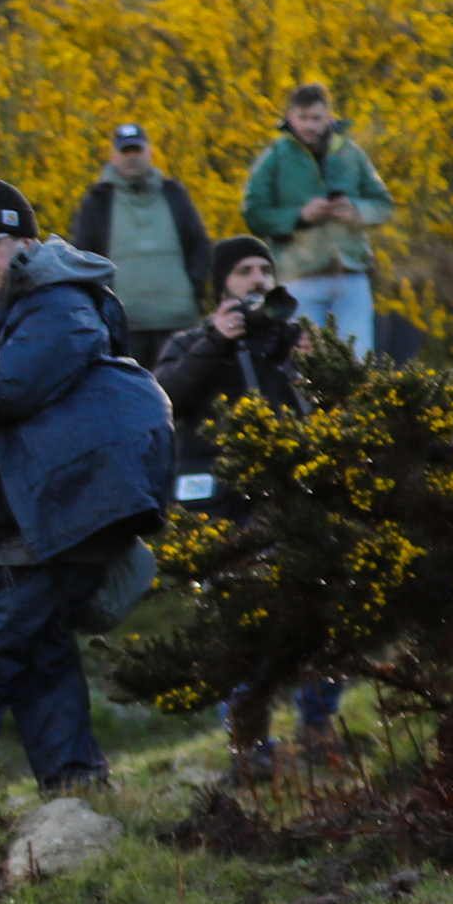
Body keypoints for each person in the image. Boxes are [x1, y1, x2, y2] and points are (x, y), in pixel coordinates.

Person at [0, 178, 175, 848]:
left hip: (19, 541)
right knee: (40, 668)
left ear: (25, 239)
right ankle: (77, 796)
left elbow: (13, 388)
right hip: (14, 534)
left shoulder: (57, 304)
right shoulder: (17, 309)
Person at [152, 233, 335, 780]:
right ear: (221, 288)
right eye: (244, 273)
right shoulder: (190, 341)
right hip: (216, 502)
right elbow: (165, 399)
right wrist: (215, 340)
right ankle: (249, 744)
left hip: (284, 495)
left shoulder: (288, 340)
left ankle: (318, 727)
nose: (258, 281)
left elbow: (337, 403)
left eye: (265, 270)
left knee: (312, 605)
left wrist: (318, 362)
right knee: (235, 621)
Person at [240, 85, 395, 356]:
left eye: (316, 117)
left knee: (358, 360)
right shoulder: (275, 158)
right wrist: (299, 216)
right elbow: (254, 212)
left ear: (329, 117)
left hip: (351, 273)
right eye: (303, 118)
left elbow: (383, 205)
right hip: (299, 278)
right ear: (291, 117)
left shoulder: (351, 153)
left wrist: (357, 211)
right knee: (306, 363)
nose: (310, 125)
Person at [68, 124, 215, 367]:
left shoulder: (173, 193)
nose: (132, 157)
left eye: (137, 150)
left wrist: (193, 286)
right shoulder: (99, 200)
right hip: (126, 326)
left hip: (178, 320)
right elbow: (84, 256)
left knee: (181, 393)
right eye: (125, 151)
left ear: (150, 152)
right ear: (114, 156)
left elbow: (199, 244)